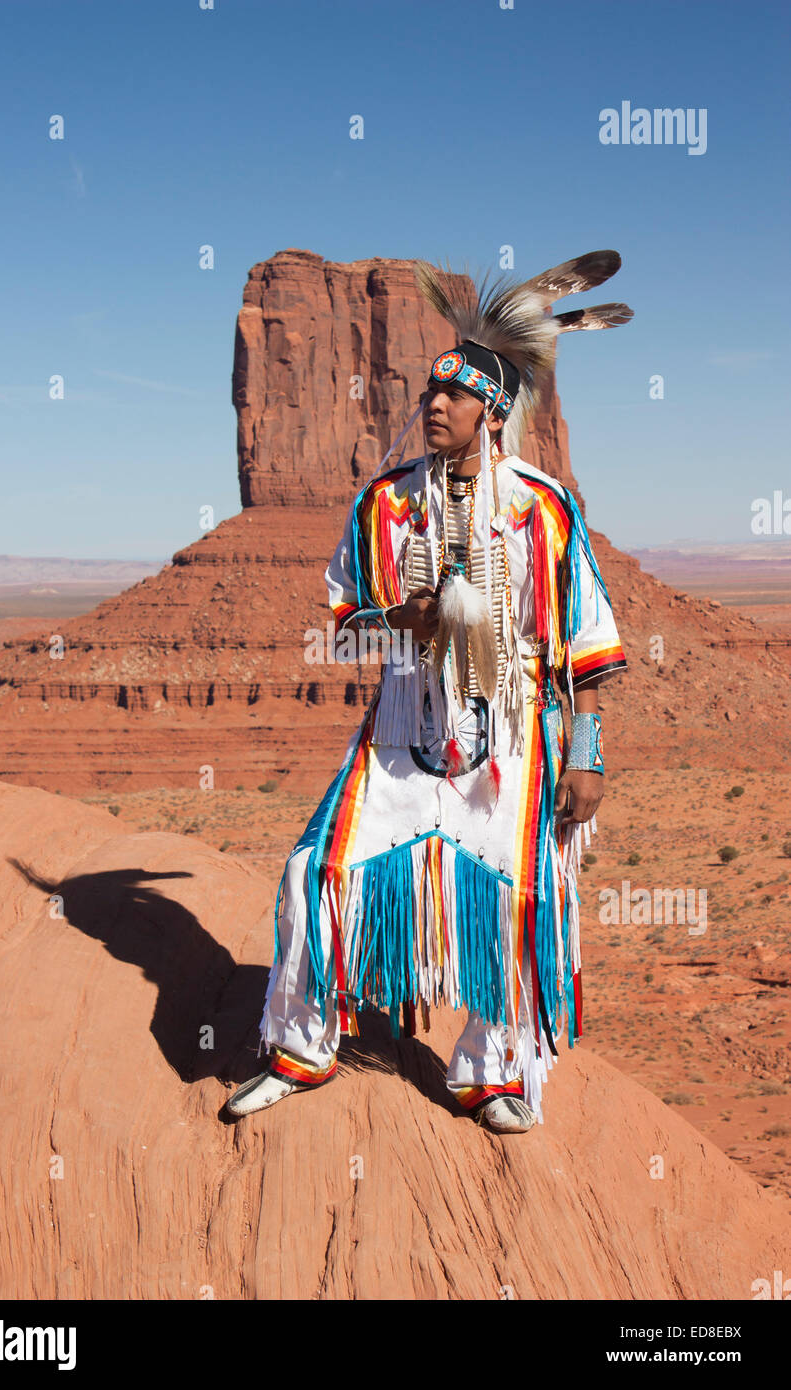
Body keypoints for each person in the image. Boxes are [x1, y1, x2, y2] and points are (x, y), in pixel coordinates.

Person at [227, 251, 632, 1133]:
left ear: (493, 410)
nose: (434, 406)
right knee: (316, 874)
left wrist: (587, 757)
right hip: (402, 741)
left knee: (525, 901)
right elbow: (343, 623)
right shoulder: (382, 508)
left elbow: (586, 647)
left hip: (513, 747)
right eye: (428, 395)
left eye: (453, 396)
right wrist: (402, 621)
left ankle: (488, 1073)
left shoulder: (542, 509)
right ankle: (298, 1051)